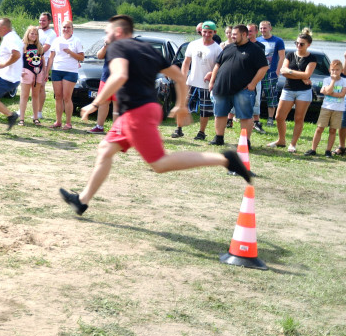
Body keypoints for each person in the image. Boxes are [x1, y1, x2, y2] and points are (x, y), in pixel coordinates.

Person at [59, 15, 251, 216]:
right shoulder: (145, 48)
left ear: (118, 32)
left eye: (107, 32)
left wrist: (96, 103)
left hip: (137, 112)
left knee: (159, 163)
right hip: (141, 110)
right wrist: (181, 104)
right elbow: (177, 74)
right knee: (105, 149)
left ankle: (225, 159)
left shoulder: (118, 47)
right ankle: (82, 201)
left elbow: (120, 75)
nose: (106, 36)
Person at [207, 24, 268, 147]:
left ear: (244, 34)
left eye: (235, 34)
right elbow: (217, 65)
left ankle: (245, 142)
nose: (231, 36)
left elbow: (264, 67)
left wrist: (253, 84)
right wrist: (212, 82)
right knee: (220, 113)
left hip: (243, 90)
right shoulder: (228, 48)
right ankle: (219, 138)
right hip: (222, 87)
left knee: (245, 116)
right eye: (231, 34)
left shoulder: (255, 49)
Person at [171, 20, 221, 141]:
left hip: (206, 84)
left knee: (205, 110)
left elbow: (219, 66)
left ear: (214, 32)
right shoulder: (193, 44)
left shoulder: (217, 49)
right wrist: (183, 77)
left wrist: (211, 74)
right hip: (191, 81)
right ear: (201, 31)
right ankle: (178, 129)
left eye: (210, 32)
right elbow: (186, 62)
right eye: (204, 31)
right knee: (182, 105)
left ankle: (201, 132)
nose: (207, 34)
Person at [270, 28, 317, 153]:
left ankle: (293, 144)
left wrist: (293, 73)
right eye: (296, 43)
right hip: (288, 89)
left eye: (301, 44)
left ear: (308, 45)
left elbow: (307, 75)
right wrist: (301, 75)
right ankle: (281, 140)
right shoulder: (290, 54)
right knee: (279, 117)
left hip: (304, 91)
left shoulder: (312, 58)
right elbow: (283, 72)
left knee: (298, 118)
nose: (298, 45)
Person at [47, 21, 84, 129]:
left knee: (67, 97)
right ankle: (58, 121)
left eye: (68, 27)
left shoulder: (76, 40)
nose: (66, 29)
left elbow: (81, 58)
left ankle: (68, 123)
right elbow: (51, 56)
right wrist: (47, 71)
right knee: (58, 97)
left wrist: (70, 52)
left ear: (72, 29)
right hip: (57, 70)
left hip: (70, 71)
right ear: (61, 28)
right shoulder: (57, 40)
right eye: (64, 27)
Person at [306, 58, 345, 157]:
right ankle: (313, 149)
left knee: (333, 130)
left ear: (341, 71)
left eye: (337, 70)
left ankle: (328, 150)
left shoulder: (344, 81)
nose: (335, 72)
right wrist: (332, 82)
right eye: (333, 70)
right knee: (320, 128)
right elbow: (324, 91)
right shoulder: (326, 80)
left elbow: (342, 94)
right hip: (326, 107)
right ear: (329, 70)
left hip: (338, 109)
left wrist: (330, 92)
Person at [258, 20, 286, 129]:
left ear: (270, 28)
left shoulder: (278, 41)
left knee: (271, 96)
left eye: (264, 28)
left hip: (271, 73)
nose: (262, 30)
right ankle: (257, 118)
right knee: (257, 96)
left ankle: (270, 118)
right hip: (259, 72)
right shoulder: (258, 40)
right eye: (261, 28)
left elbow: (282, 56)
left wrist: (278, 70)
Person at [18, 26, 47, 125]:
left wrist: (45, 72)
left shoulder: (39, 45)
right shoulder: (23, 45)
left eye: (35, 34)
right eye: (32, 33)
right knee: (24, 95)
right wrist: (19, 71)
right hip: (26, 71)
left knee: (35, 95)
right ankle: (21, 118)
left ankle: (35, 118)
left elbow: (43, 60)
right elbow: (17, 59)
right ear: (28, 34)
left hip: (38, 72)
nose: (34, 36)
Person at [87, 39, 114, 134]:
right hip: (106, 78)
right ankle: (99, 126)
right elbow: (99, 56)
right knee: (103, 103)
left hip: (118, 79)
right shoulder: (109, 43)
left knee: (117, 104)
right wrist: (106, 45)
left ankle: (116, 130)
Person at [36, 13, 56, 122]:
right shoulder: (37, 30)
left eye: (44, 20)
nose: (41, 22)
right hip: (32, 61)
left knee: (41, 87)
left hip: (45, 62)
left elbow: (46, 47)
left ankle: (39, 112)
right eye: (40, 20)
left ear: (49, 21)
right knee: (31, 86)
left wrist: (33, 52)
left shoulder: (52, 34)